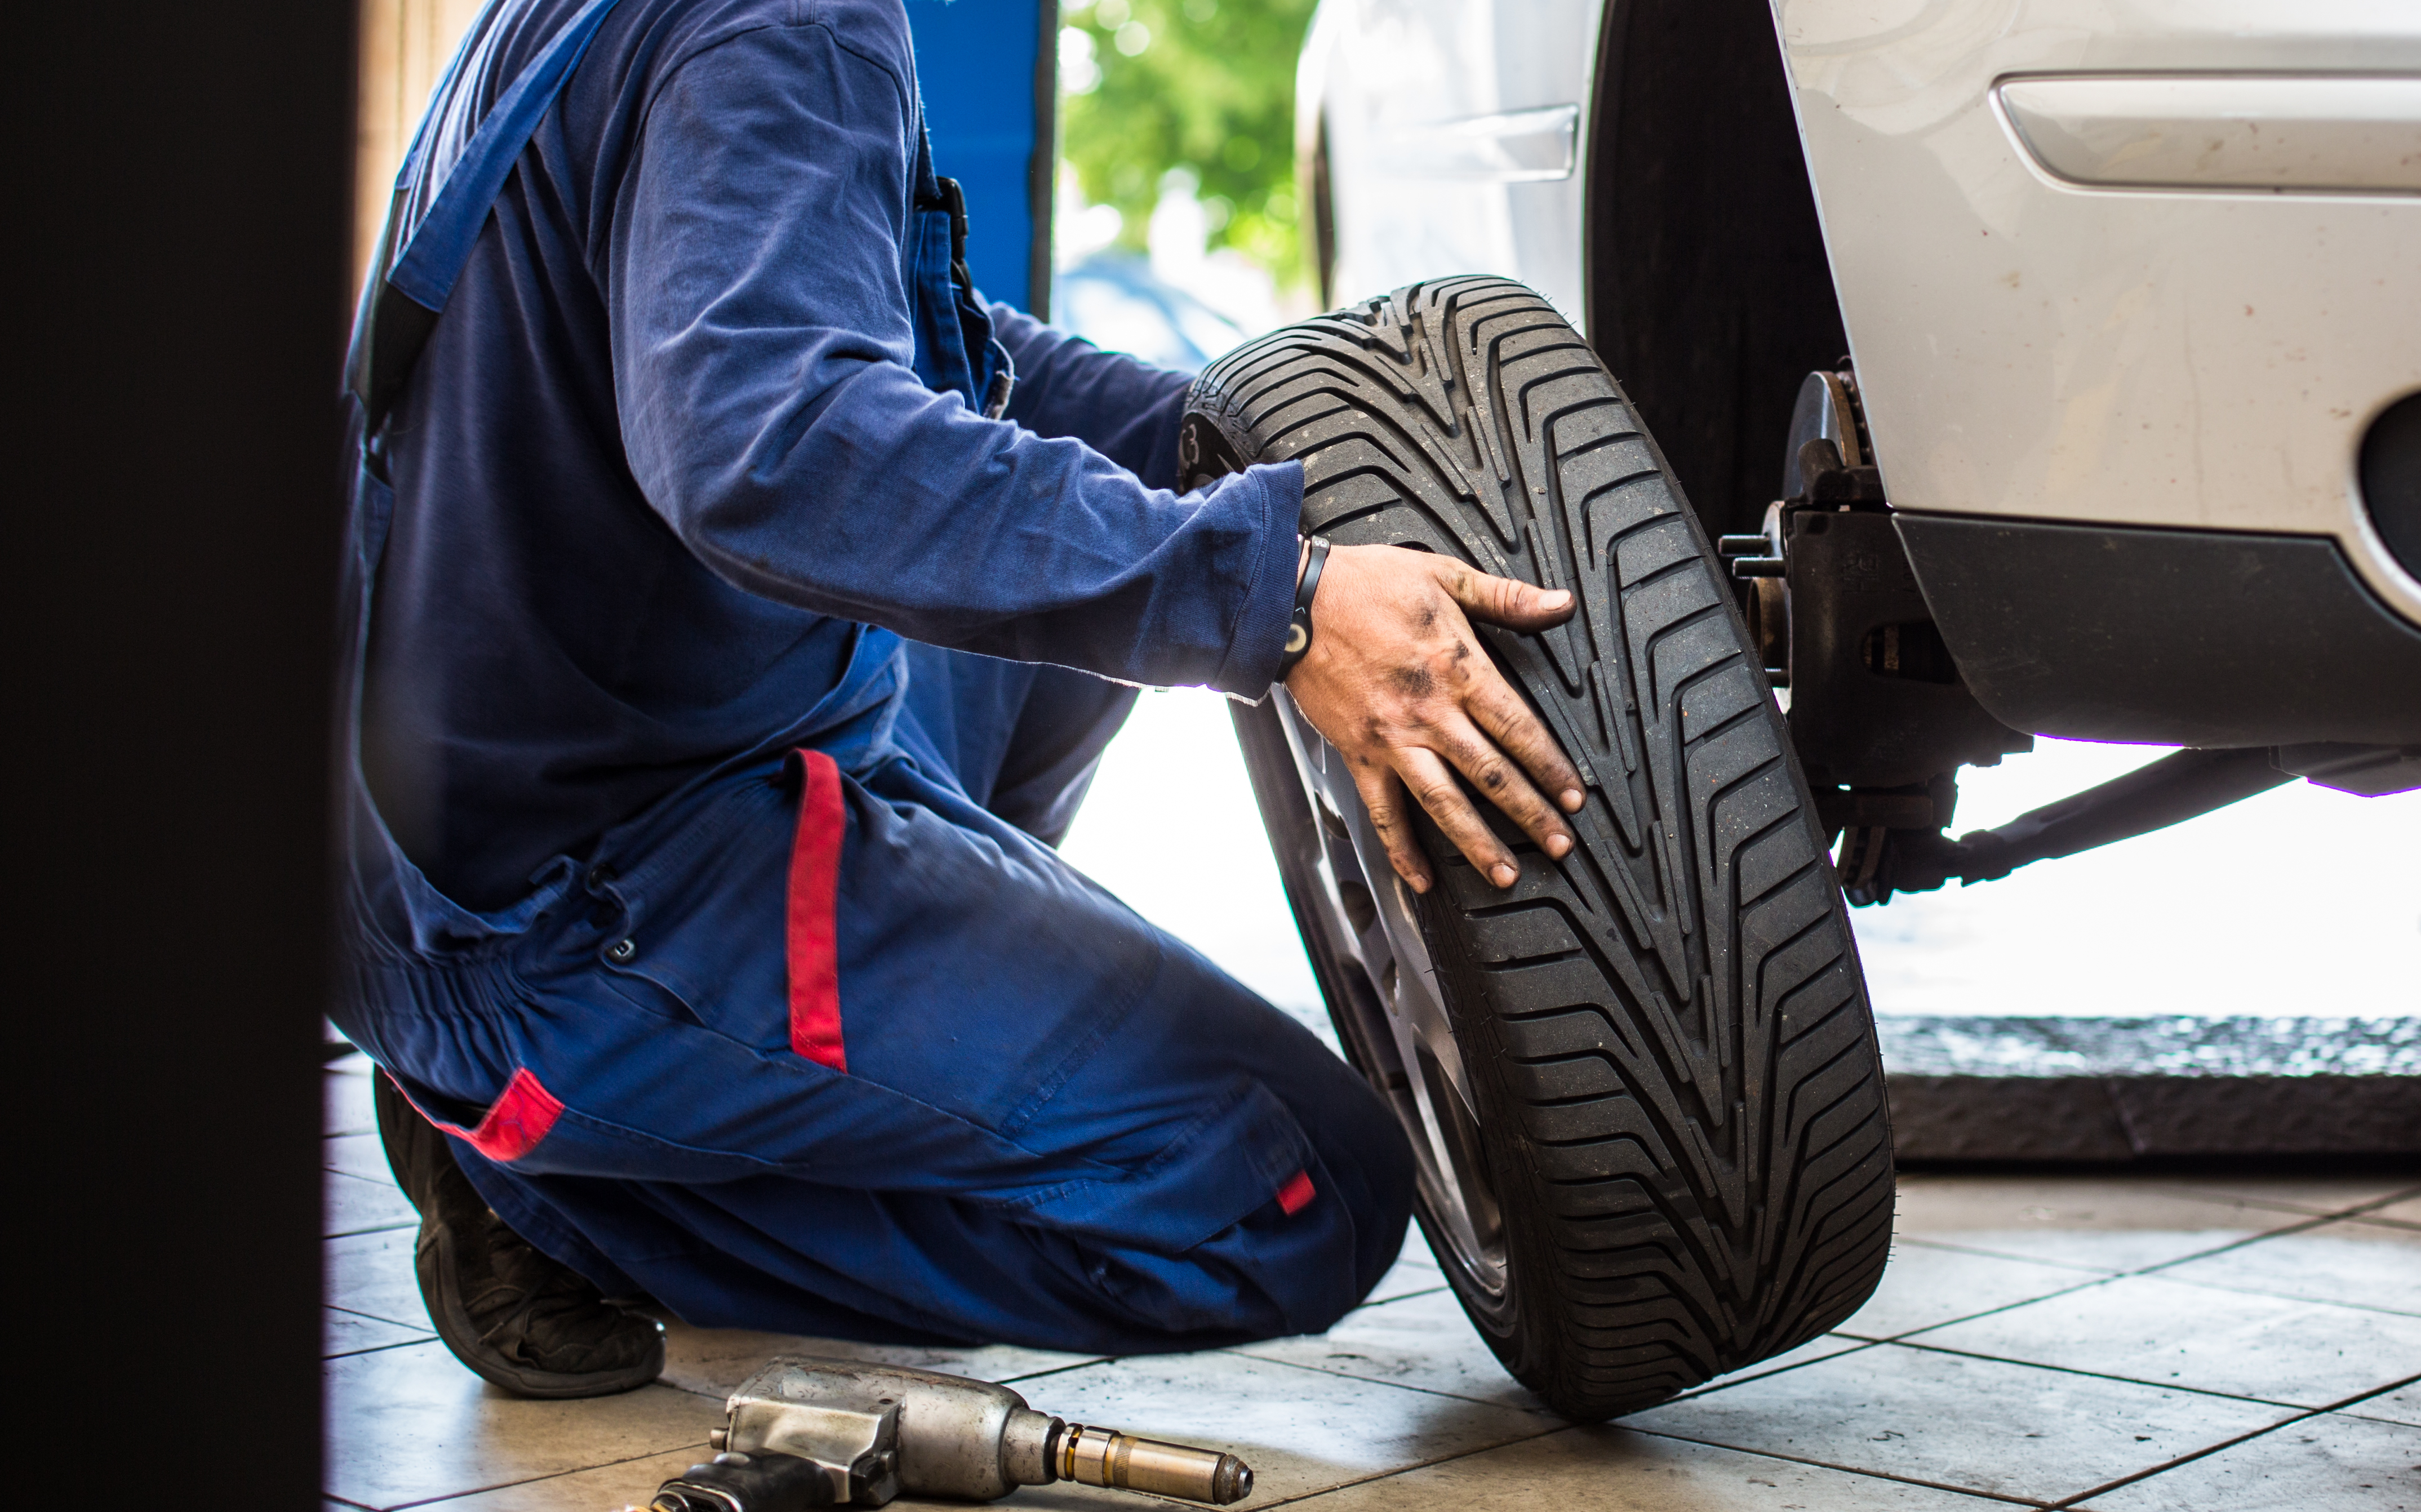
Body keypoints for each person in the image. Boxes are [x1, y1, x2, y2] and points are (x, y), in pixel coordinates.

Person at [338, 0, 1583, 1398]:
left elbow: (888, 335)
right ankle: (554, 1180)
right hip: (579, 903)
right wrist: (1278, 606)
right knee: (1299, 1190)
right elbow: (774, 446)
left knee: (1053, 591)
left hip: (472, 813)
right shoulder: (790, 21)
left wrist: (1221, 448)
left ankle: (859, 1060)